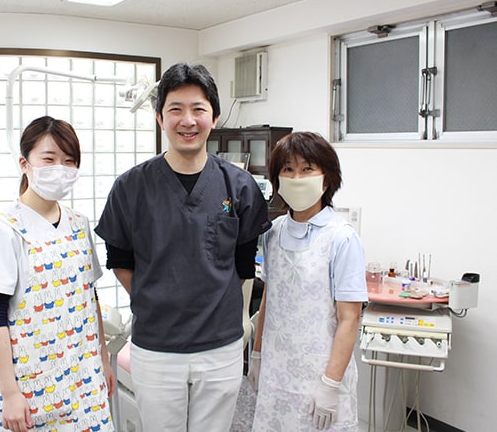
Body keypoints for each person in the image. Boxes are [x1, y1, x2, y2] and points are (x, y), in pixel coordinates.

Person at [95, 62, 272, 432]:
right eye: (175, 109)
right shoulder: (130, 188)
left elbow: (244, 265)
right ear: (160, 117)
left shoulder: (239, 187)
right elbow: (119, 260)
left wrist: (237, 320)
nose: (187, 120)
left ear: (214, 116)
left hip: (220, 345)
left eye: (198, 109)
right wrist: (158, 296)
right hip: (157, 346)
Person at [0, 116, 114, 432]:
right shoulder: (4, 230)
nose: (60, 169)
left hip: (85, 376)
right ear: (24, 163)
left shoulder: (79, 223)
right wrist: (10, 394)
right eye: (49, 159)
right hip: (30, 382)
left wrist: (103, 360)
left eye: (69, 161)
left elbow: (91, 300)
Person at [248, 131, 367, 431]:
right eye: (287, 169)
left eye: (307, 168)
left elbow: (349, 319)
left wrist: (331, 384)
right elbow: (269, 299)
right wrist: (258, 353)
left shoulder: (342, 239)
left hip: (320, 377)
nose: (296, 177)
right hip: (277, 373)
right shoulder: (272, 233)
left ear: (326, 178)